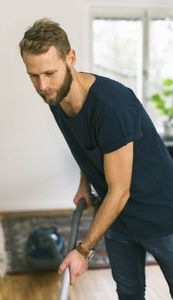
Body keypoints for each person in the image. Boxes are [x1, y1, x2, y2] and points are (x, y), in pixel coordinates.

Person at [19, 18, 173, 299]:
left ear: (71, 58)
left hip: (162, 214)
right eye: (34, 75)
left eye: (50, 73)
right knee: (129, 293)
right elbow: (87, 147)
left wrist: (83, 250)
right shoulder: (56, 97)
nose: (42, 85)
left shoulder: (113, 106)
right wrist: (83, 182)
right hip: (118, 217)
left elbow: (120, 190)